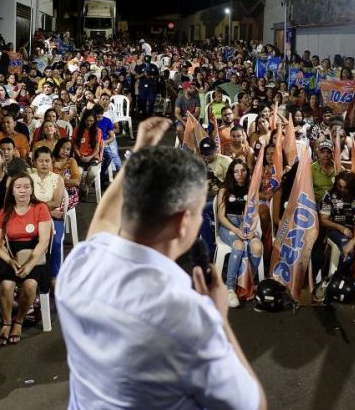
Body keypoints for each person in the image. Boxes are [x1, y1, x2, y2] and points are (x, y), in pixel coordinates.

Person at [55, 117, 266, 410]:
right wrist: (218, 322)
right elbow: (251, 405)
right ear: (183, 222)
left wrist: (140, 154)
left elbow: (103, 220)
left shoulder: (79, 264)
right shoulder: (187, 316)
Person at [0, 173, 52, 345]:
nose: (22, 191)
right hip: (11, 255)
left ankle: (18, 321)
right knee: (6, 285)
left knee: (30, 284)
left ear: (32, 189)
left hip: (35, 255)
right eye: (18, 187)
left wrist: (29, 264)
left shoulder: (40, 208)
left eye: (26, 187)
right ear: (12, 191)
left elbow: (44, 241)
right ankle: (6, 322)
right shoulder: (5, 212)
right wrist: (10, 261)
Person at [217, 159, 263, 308]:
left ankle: (249, 282)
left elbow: (255, 214)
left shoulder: (251, 189)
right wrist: (235, 230)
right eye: (236, 171)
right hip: (229, 226)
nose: (240, 174)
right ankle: (230, 288)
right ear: (232, 173)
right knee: (239, 245)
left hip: (246, 225)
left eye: (243, 171)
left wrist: (252, 229)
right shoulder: (224, 190)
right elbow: (221, 217)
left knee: (257, 247)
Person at [29, 147, 65, 281]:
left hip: (53, 219)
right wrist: (48, 211)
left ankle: (54, 277)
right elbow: (27, 201)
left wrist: (38, 207)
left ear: (52, 162)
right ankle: (32, 274)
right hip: (33, 217)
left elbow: (56, 202)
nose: (44, 164)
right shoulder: (29, 178)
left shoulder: (58, 179)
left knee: (55, 242)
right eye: (40, 161)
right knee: (27, 238)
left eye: (47, 161)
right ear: (34, 162)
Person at [319, 171, 355, 265]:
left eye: (346, 188)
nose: (342, 190)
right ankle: (340, 275)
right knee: (347, 247)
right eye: (339, 186)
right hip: (336, 230)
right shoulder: (329, 195)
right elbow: (324, 220)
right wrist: (341, 228)